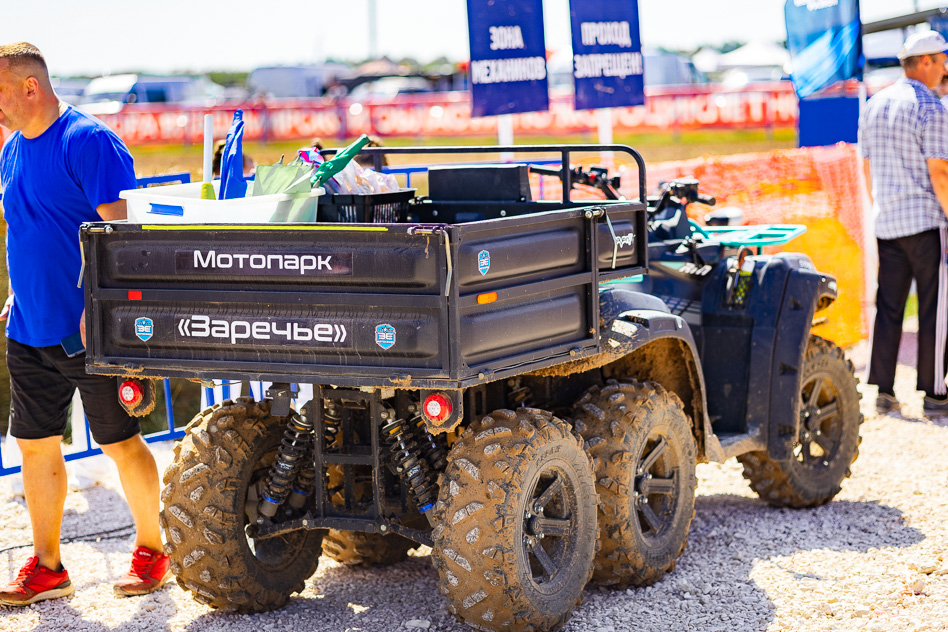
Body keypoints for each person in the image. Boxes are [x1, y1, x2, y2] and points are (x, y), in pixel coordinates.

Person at [0, 42, 167, 605]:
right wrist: (19, 294)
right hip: (28, 328)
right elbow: (28, 228)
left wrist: (107, 315)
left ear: (30, 86)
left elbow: (123, 241)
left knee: (120, 444)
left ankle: (153, 551)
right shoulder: (11, 150)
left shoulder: (89, 141)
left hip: (88, 333)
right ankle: (48, 567)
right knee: (35, 446)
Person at [859, 31, 948, 417]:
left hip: (887, 222)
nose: (945, 69)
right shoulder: (930, 106)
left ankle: (884, 390)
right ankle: (935, 395)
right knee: (935, 309)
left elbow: (866, 168)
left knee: (889, 307)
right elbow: (940, 173)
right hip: (926, 222)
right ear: (926, 61)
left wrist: (879, 208)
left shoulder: (874, 104)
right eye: (942, 60)